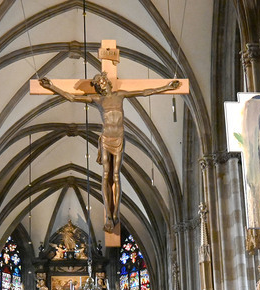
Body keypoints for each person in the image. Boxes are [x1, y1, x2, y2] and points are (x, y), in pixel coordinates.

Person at [38, 73, 180, 232]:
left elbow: (145, 92)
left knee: (116, 175)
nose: (101, 84)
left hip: (118, 138)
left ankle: (115, 213)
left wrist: (166, 87)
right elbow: (72, 97)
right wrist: (52, 87)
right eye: (98, 83)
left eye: (102, 81)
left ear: (107, 82)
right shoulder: (98, 100)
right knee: (106, 175)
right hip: (106, 139)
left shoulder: (120, 95)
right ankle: (108, 216)